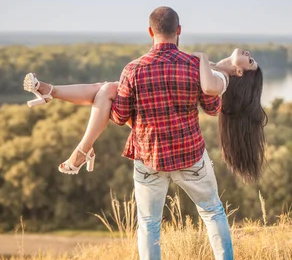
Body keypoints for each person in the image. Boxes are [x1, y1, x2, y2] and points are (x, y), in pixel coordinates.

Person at [23, 6, 267, 260]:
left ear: (150, 32)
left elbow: (120, 114)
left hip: (149, 157)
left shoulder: (133, 69)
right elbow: (214, 107)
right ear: (179, 31)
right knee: (213, 211)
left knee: (149, 225)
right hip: (190, 155)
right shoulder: (193, 64)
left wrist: (111, 99)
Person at [23, 38, 267, 184]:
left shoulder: (221, 78)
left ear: (239, 73)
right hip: (158, 116)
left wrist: (202, 58)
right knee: (104, 89)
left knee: (106, 89)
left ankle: (80, 147)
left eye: (251, 61)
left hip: (159, 120)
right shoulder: (217, 69)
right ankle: (49, 92)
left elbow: (210, 88)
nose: (249, 55)